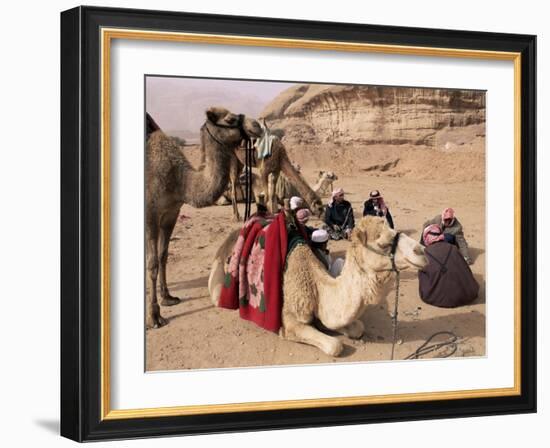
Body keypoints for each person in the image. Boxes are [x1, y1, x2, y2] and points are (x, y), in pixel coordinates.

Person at [418, 224, 479, 308]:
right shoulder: (453, 248)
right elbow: (465, 269)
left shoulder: (425, 252)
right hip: (466, 296)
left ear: (426, 237)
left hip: (435, 298)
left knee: (421, 269)